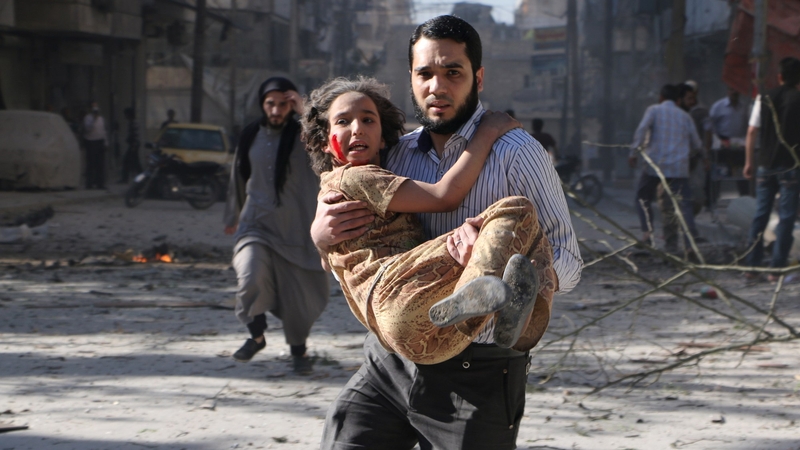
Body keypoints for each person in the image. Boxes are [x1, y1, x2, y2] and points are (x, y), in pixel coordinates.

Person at [311, 15, 582, 449]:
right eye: (425, 73)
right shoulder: (393, 155)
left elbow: (569, 258)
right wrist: (320, 236)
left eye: (453, 72)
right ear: (411, 79)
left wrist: (517, 276)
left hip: (477, 375)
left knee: (513, 217)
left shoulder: (517, 152)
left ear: (478, 78)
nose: (437, 86)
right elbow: (361, 243)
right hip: (390, 361)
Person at [301, 76, 554, 364]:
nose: (357, 128)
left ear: (382, 137)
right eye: (343, 122)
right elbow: (444, 197)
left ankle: (490, 303)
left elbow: (329, 263)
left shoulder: (328, 191)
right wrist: (488, 132)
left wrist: (320, 240)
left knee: (505, 252)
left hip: (420, 335)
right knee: (517, 210)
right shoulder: (354, 176)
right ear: (323, 142)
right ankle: (517, 311)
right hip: (397, 294)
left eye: (368, 120)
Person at [223, 77, 328, 374]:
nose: (276, 110)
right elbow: (238, 176)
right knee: (249, 275)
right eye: (271, 103)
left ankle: (299, 352)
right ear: (262, 104)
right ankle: (256, 335)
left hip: (297, 229)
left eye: (283, 104)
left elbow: (330, 142)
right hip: (255, 225)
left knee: (299, 298)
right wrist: (232, 216)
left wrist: (305, 111)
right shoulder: (250, 135)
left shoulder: (305, 137)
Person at [743, 57, 800, 281]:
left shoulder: (763, 97)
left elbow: (751, 131)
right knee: (786, 218)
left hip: (765, 165)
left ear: (780, 76)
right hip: (790, 166)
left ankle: (751, 267)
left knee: (761, 215)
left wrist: (749, 162)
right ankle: (776, 270)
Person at [629, 84, 702, 254]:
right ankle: (690, 244)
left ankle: (647, 233)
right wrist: (699, 157)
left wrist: (633, 152)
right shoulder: (685, 116)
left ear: (661, 97)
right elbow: (697, 143)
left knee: (642, 198)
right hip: (678, 168)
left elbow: (642, 130)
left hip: (655, 165)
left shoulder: (653, 110)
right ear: (678, 100)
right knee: (684, 205)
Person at [706, 86, 751, 199]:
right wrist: (718, 140)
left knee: (741, 174)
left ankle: (745, 198)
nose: (734, 92)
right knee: (718, 173)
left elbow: (748, 125)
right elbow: (710, 126)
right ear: (728, 91)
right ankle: (712, 199)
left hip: (739, 146)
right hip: (722, 146)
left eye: (736, 90)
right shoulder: (718, 106)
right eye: (732, 89)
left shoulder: (744, 107)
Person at [82, 101, 107, 190]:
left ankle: (100, 183)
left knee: (100, 164)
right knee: (91, 164)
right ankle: (89, 183)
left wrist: (105, 142)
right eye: (93, 107)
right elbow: (87, 129)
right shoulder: (87, 118)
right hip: (91, 142)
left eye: (96, 107)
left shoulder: (101, 119)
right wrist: (93, 118)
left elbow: (103, 131)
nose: (95, 109)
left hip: (100, 141)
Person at [120, 107, 142, 183]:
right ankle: (141, 177)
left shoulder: (133, 123)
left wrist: (134, 145)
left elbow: (135, 135)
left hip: (134, 145)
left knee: (127, 161)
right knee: (135, 163)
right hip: (133, 144)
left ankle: (125, 179)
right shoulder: (131, 122)